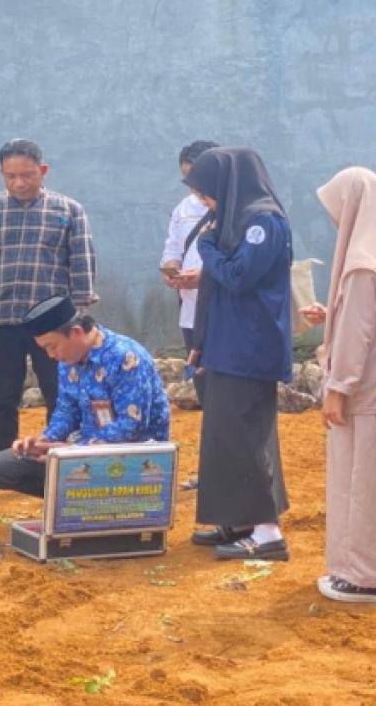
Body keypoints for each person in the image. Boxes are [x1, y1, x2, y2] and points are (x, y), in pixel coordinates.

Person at [300, 167, 376, 605]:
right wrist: (330, 314)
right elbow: (363, 322)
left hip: (364, 392)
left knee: (364, 482)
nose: (337, 218)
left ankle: (370, 577)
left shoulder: (360, 263)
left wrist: (337, 388)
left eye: (340, 208)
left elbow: (356, 334)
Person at [0, 139, 98, 492]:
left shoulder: (68, 210)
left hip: (56, 328)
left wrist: (82, 322)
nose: (19, 183)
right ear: (1, 175)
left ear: (43, 171)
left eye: (27, 175)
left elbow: (81, 266)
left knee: (60, 394)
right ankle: (0, 468)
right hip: (2, 321)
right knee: (4, 397)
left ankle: (55, 467)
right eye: (11, 176)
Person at [183, 147, 293, 561]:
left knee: (247, 436)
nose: (204, 203)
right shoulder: (233, 221)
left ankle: (267, 534)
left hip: (251, 347)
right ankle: (239, 518)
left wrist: (208, 248)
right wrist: (201, 344)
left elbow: (238, 275)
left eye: (206, 194)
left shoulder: (263, 220)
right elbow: (215, 289)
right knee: (225, 437)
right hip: (227, 346)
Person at [0, 296, 171, 497]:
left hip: (130, 458)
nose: (50, 355)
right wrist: (44, 442)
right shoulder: (69, 361)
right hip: (83, 454)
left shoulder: (126, 358)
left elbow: (131, 427)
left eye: (52, 346)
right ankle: (80, 501)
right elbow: (66, 410)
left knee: (72, 468)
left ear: (76, 332)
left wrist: (70, 452)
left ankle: (102, 504)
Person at [158, 139, 219, 490]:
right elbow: (172, 247)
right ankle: (211, 468)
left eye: (198, 180)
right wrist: (171, 268)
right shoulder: (184, 208)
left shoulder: (238, 212)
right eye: (188, 181)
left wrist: (203, 277)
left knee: (223, 396)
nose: (195, 190)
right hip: (190, 312)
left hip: (221, 315)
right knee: (205, 391)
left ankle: (220, 469)